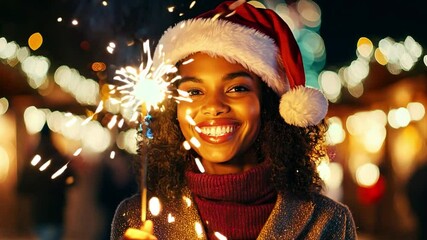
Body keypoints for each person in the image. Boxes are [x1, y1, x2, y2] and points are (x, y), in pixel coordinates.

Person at [111, 1, 357, 239]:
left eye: (236, 88)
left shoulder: (327, 220)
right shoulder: (137, 219)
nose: (214, 107)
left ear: (269, 103)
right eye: (194, 92)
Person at [17, 124, 74, 240]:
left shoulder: (33, 159)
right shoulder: (58, 157)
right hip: (56, 213)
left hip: (39, 213)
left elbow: (21, 187)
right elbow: (73, 180)